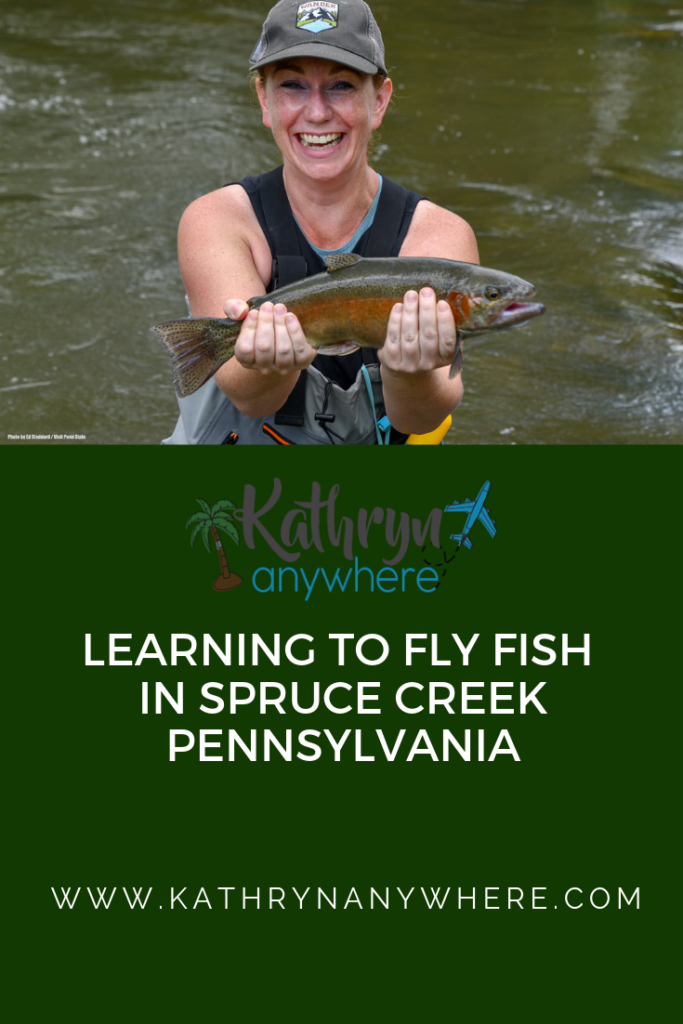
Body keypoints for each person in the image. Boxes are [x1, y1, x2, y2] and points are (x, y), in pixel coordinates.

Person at [163, 0, 479, 445]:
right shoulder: (217, 219)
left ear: (380, 101)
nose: (316, 113)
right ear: (264, 100)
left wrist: (409, 371)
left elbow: (422, 420)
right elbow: (248, 398)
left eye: (342, 86)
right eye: (292, 85)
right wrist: (275, 361)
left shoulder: (440, 236)